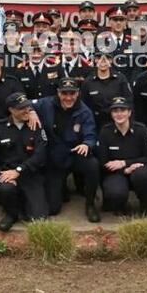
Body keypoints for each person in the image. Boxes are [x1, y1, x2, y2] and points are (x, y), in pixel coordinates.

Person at [32, 77, 100, 222]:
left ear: (77, 93)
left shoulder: (84, 111)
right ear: (58, 92)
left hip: (74, 153)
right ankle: (61, 189)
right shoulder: (46, 103)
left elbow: (91, 134)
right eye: (64, 93)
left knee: (93, 165)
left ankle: (90, 204)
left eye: (72, 93)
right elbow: (25, 103)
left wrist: (87, 144)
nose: (68, 97)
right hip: (54, 158)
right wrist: (30, 111)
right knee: (53, 209)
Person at [0, 92, 48, 231]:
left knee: (39, 218)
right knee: (5, 189)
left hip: (29, 174)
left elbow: (40, 155)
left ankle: (25, 205)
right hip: (8, 175)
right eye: (21, 108)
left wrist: (19, 171)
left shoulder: (35, 125)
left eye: (28, 107)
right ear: (11, 110)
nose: (26, 110)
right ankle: (11, 214)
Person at [98, 97, 147, 216]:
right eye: (115, 111)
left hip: (138, 170)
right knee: (115, 193)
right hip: (117, 173)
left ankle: (145, 208)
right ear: (111, 114)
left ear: (129, 112)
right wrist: (124, 169)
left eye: (123, 110)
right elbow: (103, 162)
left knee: (143, 175)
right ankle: (121, 205)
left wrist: (125, 162)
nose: (119, 114)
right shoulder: (105, 132)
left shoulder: (142, 130)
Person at [80, 50, 133, 131]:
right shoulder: (88, 82)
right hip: (96, 124)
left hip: (118, 122)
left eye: (107, 57)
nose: (103, 60)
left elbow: (129, 102)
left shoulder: (120, 79)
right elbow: (84, 106)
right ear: (95, 60)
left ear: (111, 60)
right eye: (99, 57)